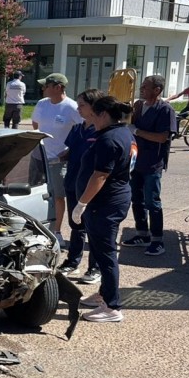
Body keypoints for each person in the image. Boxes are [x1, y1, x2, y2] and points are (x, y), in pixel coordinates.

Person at [71, 95, 134, 324]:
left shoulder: (109, 139)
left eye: (93, 115)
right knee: (99, 250)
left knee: (106, 254)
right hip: (111, 200)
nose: (91, 120)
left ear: (104, 114)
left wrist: (82, 203)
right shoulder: (125, 132)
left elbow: (100, 175)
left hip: (104, 204)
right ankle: (104, 294)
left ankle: (112, 306)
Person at [122, 74, 176, 256]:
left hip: (153, 162)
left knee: (152, 201)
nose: (141, 89)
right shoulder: (138, 106)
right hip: (136, 160)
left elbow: (162, 137)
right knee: (136, 199)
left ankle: (157, 240)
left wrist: (137, 131)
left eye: (145, 87)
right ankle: (142, 233)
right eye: (142, 86)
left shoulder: (165, 110)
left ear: (157, 90)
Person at [29, 73, 82, 245]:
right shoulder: (42, 104)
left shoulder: (72, 107)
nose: (43, 88)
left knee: (58, 196)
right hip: (39, 156)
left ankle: (57, 232)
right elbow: (35, 124)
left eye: (46, 85)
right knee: (34, 193)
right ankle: (34, 228)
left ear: (58, 87)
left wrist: (69, 151)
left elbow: (82, 130)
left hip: (59, 160)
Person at [59, 88, 104, 284]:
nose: (78, 108)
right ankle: (72, 261)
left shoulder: (102, 131)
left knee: (93, 228)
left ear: (94, 106)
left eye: (82, 105)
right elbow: (71, 150)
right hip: (72, 183)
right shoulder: (77, 128)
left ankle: (95, 267)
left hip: (90, 187)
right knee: (76, 225)